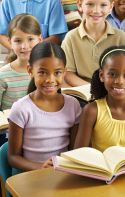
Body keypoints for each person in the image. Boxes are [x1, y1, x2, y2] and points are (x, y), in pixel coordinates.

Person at [8, 41, 81, 172]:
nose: (50, 79)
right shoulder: (21, 108)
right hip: (32, 176)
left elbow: (74, 150)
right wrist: (41, 167)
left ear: (64, 72)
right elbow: (13, 158)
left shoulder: (73, 105)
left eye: (57, 73)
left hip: (62, 174)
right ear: (30, 71)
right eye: (42, 72)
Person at [61, 0, 125, 87]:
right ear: (80, 5)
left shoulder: (121, 38)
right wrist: (93, 91)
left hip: (112, 92)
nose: (96, 10)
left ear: (110, 7)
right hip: (80, 94)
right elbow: (68, 73)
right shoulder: (71, 38)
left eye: (103, 5)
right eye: (90, 4)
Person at [0, 14, 42, 146]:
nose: (25, 46)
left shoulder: (45, 71)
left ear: (40, 39)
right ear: (10, 43)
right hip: (9, 131)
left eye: (30, 39)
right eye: (18, 41)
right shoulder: (3, 75)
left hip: (39, 128)